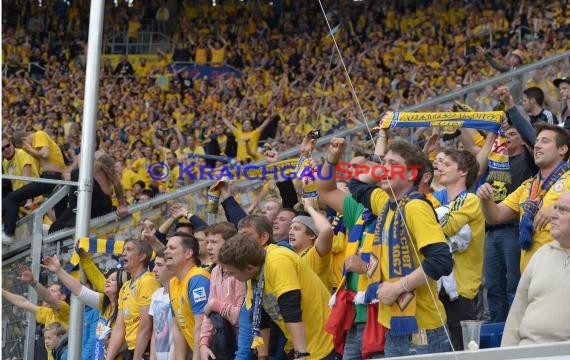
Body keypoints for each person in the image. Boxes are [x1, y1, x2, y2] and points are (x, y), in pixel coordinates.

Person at [342, 137, 453, 357]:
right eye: (385, 163)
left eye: (394, 164)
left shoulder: (416, 207)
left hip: (424, 329)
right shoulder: (385, 203)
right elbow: (355, 184)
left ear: (412, 175)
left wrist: (397, 288)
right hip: (395, 325)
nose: (385, 169)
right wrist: (383, 168)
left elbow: (441, 261)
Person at [218, 233, 337, 359]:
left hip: (325, 343)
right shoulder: (254, 272)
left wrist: (301, 354)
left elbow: (291, 309)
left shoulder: (278, 260)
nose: (230, 276)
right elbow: (261, 316)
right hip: (302, 345)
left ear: (249, 268)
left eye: (232, 273)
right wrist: (263, 356)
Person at [477, 123, 570, 272]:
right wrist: (485, 199)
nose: (538, 146)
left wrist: (557, 208)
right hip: (529, 272)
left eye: (545, 141)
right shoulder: (528, 186)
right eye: (537, 141)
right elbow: (495, 216)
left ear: (562, 149)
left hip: (560, 271)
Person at [501, 191, 570, 346]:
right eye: (555, 208)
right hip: (527, 350)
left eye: (563, 210)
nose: (554, 215)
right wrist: (506, 353)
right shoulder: (540, 255)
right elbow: (516, 313)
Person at [433, 149, 484, 351]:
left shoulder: (469, 200)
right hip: (440, 289)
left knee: (460, 352)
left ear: (463, 171)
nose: (441, 168)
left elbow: (446, 226)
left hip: (461, 291)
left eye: (447, 164)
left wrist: (428, 216)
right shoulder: (437, 199)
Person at [41, 254, 129, 360]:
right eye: (108, 279)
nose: (107, 281)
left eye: (113, 280)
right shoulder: (104, 303)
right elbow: (80, 290)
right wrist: (59, 270)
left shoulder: (128, 306)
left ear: (123, 285)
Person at [3, 129, 67, 244]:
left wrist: (31, 149)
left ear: (24, 141)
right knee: (60, 222)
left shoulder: (39, 134)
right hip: (54, 180)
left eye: (23, 147)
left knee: (11, 198)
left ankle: (8, 234)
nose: (25, 150)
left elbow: (46, 153)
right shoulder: (36, 147)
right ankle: (64, 247)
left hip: (51, 178)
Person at [105, 238, 160, 360]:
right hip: (130, 350)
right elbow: (119, 329)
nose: (123, 253)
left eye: (129, 250)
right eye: (124, 249)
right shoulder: (125, 287)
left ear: (141, 256)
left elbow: (146, 326)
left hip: (146, 350)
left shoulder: (147, 281)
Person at [2, 266, 70, 360]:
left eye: (53, 291)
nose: (48, 292)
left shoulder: (66, 310)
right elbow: (24, 303)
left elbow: (47, 297)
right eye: (48, 290)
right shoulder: (48, 312)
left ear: (63, 296)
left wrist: (33, 282)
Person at [199, 222, 245, 360]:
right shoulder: (215, 271)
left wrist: (214, 304)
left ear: (228, 244)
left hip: (244, 348)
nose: (209, 247)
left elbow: (240, 318)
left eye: (214, 242)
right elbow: (209, 315)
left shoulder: (240, 272)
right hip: (225, 348)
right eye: (207, 242)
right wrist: (204, 343)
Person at [165, 232, 211, 359]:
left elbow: (200, 325)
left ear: (188, 253)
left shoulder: (197, 278)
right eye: (166, 248)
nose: (166, 251)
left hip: (214, 352)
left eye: (172, 248)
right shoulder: (172, 283)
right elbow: (178, 328)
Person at [289, 197, 334, 290]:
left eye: (296, 229)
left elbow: (326, 230)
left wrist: (309, 208)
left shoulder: (314, 254)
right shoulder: (291, 257)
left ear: (311, 235)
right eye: (290, 228)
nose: (290, 232)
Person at [148, 250, 176, 360]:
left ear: (171, 268)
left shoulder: (178, 292)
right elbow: (155, 331)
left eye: (159, 265)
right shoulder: (156, 294)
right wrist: (152, 357)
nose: (154, 269)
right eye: (155, 265)